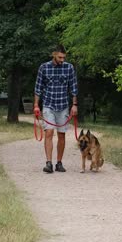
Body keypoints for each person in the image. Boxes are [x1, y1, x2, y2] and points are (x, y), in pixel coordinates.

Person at [34, 44, 78, 173]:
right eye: (60, 57)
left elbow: (73, 88)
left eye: (64, 57)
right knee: (49, 132)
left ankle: (59, 162)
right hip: (48, 104)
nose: (62, 60)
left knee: (62, 135)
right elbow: (38, 88)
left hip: (63, 105)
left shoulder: (69, 68)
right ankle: (49, 163)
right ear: (54, 54)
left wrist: (74, 105)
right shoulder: (44, 67)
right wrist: (36, 105)